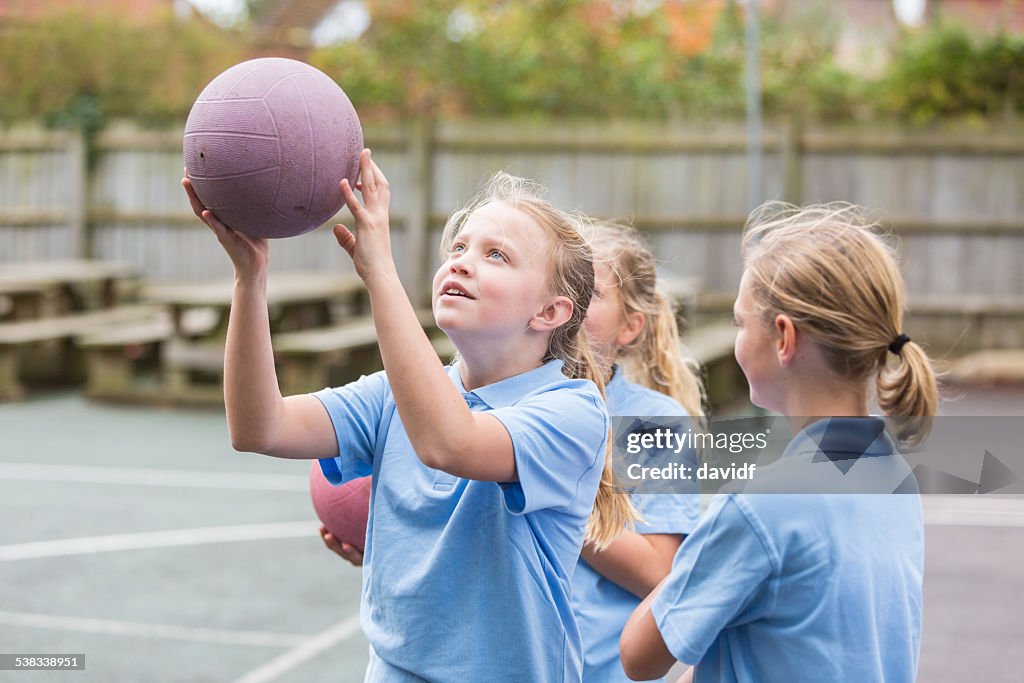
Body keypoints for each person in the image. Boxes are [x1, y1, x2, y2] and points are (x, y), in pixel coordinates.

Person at [182, 152, 635, 682]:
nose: (462, 261)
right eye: (459, 248)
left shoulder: (572, 411)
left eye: (497, 255)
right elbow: (260, 427)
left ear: (549, 312)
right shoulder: (395, 395)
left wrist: (380, 273)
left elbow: (449, 443)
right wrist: (249, 279)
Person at [620, 202, 938, 683]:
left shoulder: (761, 505)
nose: (737, 338)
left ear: (784, 338)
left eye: (740, 323)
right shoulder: (895, 479)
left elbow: (638, 657)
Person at [572, 222, 704, 683]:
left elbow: (658, 571)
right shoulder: (500, 404)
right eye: (560, 279)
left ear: (630, 326)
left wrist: (553, 491)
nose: (569, 297)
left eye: (590, 290)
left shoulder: (654, 423)